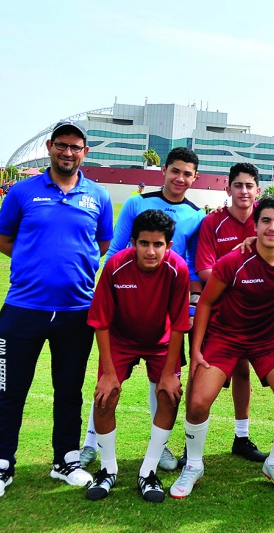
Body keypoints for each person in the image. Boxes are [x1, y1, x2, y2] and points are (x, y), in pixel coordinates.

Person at [172, 198, 274, 497]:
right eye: (266, 221)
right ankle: (194, 464)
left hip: (271, 341)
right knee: (198, 403)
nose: (272, 227)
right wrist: (197, 349)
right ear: (256, 225)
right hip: (226, 337)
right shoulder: (232, 261)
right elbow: (207, 302)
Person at [0, 120, 114, 499]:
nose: (67, 152)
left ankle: (66, 460)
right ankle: (1, 465)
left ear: (85, 152)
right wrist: (33, 262)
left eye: (75, 146)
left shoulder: (98, 196)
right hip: (23, 308)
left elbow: (101, 243)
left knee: (69, 390)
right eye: (61, 145)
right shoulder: (23, 191)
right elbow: (2, 239)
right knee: (10, 391)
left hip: (76, 312)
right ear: (50, 147)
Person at [81, 147, 204, 471]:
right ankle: (91, 442)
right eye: (175, 170)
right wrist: (122, 290)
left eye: (187, 173)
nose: (180, 178)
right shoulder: (138, 202)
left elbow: (189, 266)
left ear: (195, 178)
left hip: (163, 313)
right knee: (105, 386)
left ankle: (159, 449)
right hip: (127, 304)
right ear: (164, 170)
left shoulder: (196, 214)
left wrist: (189, 299)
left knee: (164, 386)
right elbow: (119, 248)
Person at [83, 210, 190, 503]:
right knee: (104, 398)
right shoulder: (116, 266)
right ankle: (108, 470)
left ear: (168, 245)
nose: (151, 251)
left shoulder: (177, 269)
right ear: (133, 242)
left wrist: (169, 373)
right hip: (120, 340)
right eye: (144, 243)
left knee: (169, 396)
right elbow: (101, 321)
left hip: (161, 341)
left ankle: (148, 471)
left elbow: (180, 323)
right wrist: (107, 371)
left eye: (158, 244)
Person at [191, 162, 266, 463]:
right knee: (203, 373)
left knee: (242, 369)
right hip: (218, 310)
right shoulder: (213, 223)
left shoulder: (266, 219)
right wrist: (241, 281)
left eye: (249, 186)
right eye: (238, 185)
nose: (244, 191)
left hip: (251, 312)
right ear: (228, 189)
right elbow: (205, 268)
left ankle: (242, 436)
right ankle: (191, 444)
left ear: (257, 190)